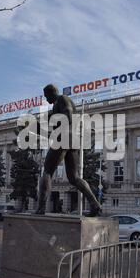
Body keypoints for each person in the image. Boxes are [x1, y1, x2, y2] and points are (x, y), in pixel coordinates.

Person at [35, 84, 102, 217]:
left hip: (64, 137)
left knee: (47, 171)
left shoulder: (63, 99)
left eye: (46, 96)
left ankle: (41, 208)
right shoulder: (56, 105)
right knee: (74, 177)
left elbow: (68, 116)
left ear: (52, 93)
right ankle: (95, 205)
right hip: (72, 140)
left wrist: (54, 130)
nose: (46, 99)